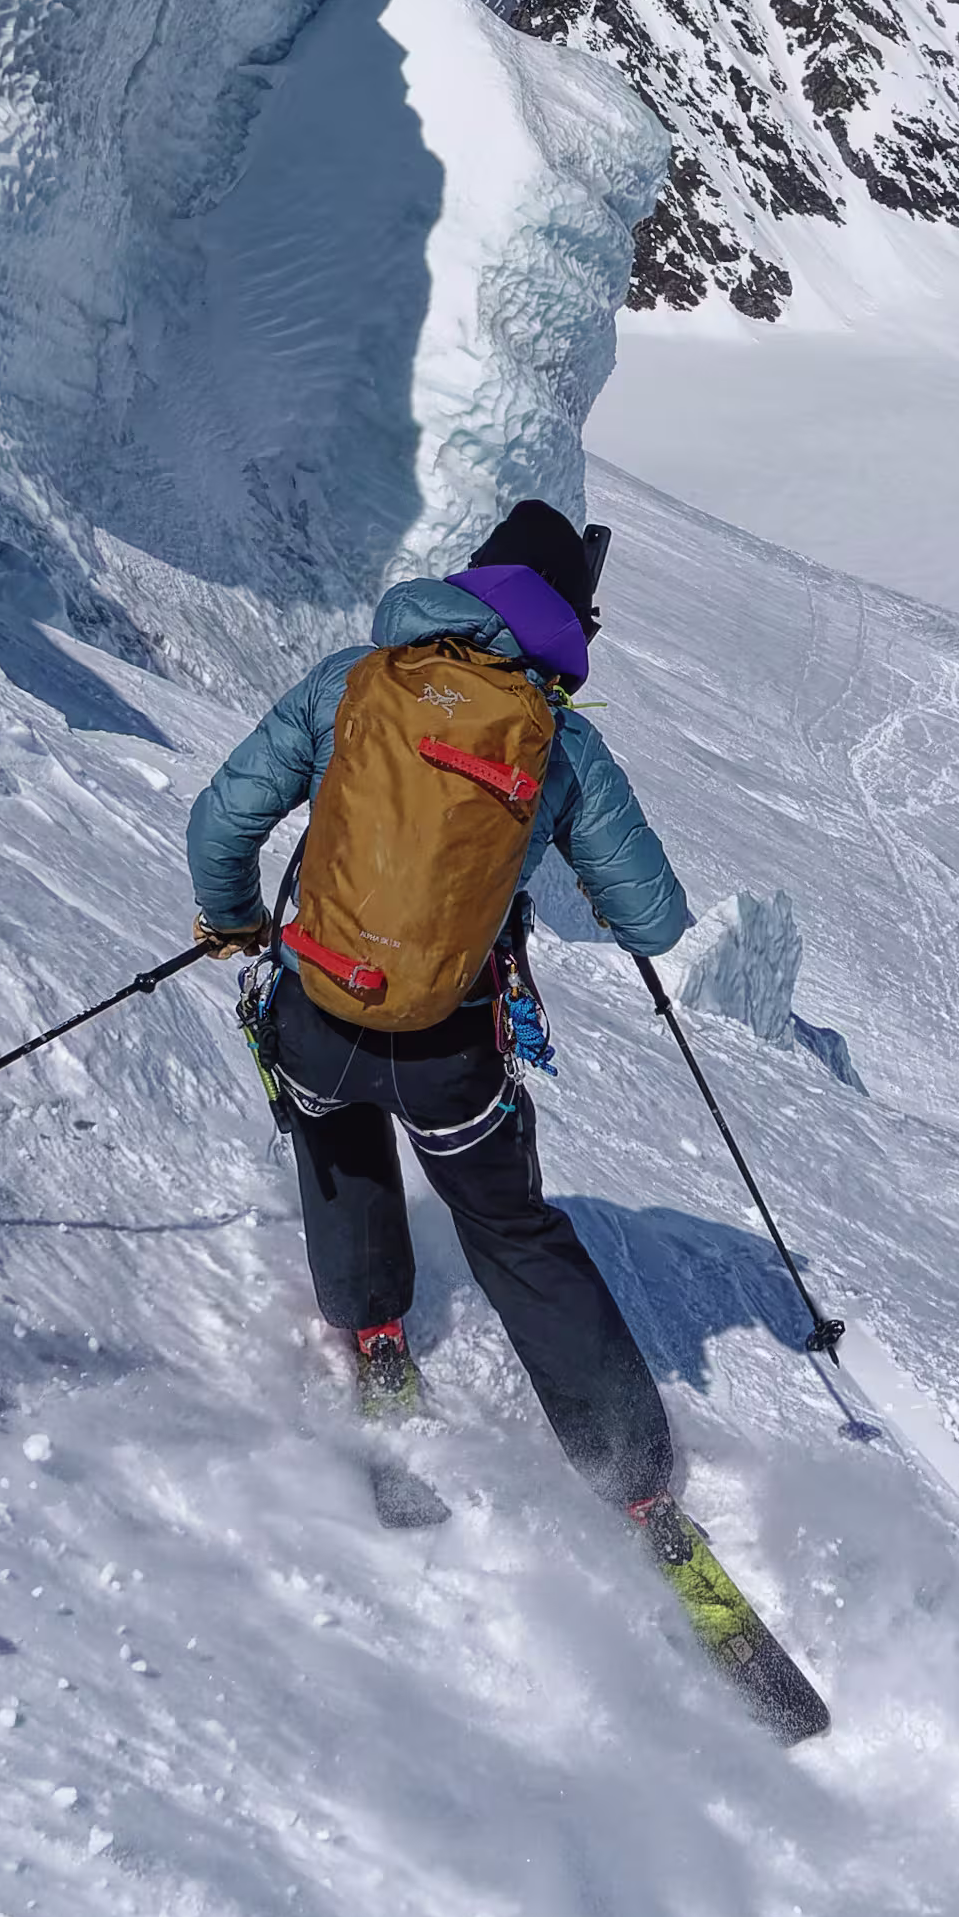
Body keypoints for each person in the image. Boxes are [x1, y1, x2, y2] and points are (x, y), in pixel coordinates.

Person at [187, 500, 693, 1512]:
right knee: (510, 1230)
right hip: (449, 1056)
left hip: (317, 1017)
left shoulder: (351, 682)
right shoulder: (555, 740)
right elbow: (655, 917)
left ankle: (374, 1332)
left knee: (335, 1145)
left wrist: (239, 921)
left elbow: (221, 820)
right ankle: (631, 1477)